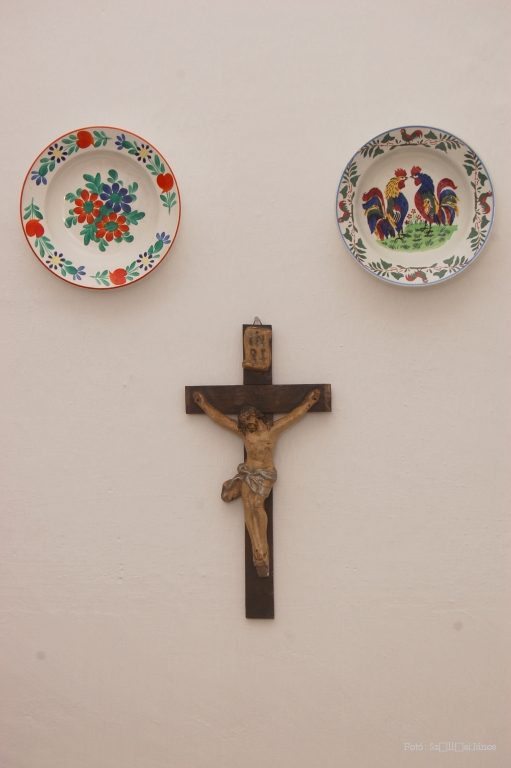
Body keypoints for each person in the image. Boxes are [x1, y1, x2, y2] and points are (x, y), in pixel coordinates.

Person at [192, 389, 321, 576]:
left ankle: (263, 547)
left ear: (256, 416)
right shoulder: (245, 433)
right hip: (248, 473)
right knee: (248, 507)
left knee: (257, 505)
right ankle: (257, 550)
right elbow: (222, 420)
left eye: (249, 420)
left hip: (265, 474)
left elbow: (293, 416)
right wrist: (203, 404)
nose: (247, 425)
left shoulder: (272, 431)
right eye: (244, 423)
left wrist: (309, 401)